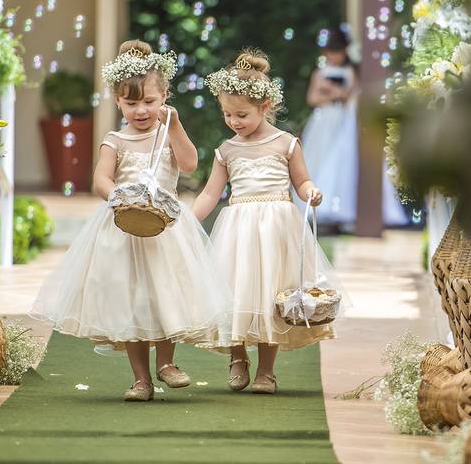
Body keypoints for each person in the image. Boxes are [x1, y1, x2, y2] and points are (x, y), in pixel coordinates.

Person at [32, 40, 227, 402]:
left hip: (165, 228)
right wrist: (119, 197)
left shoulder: (166, 133)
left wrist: (176, 127)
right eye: (132, 102)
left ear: (164, 97)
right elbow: (100, 181)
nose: (141, 110)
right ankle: (141, 378)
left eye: (150, 102)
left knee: (166, 294)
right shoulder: (115, 140)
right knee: (133, 301)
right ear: (117, 101)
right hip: (124, 228)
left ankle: (167, 363)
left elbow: (188, 164)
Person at [193, 48, 346, 395]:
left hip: (277, 229)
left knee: (272, 298)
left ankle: (266, 370)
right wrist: (187, 222)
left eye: (242, 114)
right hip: (238, 232)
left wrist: (311, 192)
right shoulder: (226, 150)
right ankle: (237, 356)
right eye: (228, 114)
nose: (234, 122)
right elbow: (208, 195)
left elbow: (301, 181)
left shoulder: (286, 144)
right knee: (234, 293)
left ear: (264, 107)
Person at [298, 27, 410, 229]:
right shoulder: (320, 73)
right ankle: (312, 204)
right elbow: (313, 98)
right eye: (330, 51)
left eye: (337, 51)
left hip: (343, 120)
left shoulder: (351, 72)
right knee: (317, 157)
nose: (334, 56)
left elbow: (353, 95)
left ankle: (338, 207)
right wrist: (335, 94)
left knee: (341, 160)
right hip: (324, 121)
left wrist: (335, 93)